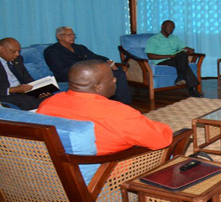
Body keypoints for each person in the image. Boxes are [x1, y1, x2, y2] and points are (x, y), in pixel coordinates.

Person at [37, 60, 172, 154]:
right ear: (98, 87)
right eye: (112, 78)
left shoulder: (48, 104)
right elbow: (160, 140)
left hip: (59, 173)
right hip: (109, 174)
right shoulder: (119, 113)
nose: (115, 80)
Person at [44, 26, 132, 104]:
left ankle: (123, 104)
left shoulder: (79, 47)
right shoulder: (52, 51)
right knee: (103, 77)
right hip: (70, 76)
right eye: (69, 35)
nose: (73, 37)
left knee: (119, 73)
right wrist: (85, 72)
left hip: (90, 73)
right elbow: (60, 69)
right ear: (59, 36)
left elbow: (95, 57)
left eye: (73, 34)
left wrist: (108, 61)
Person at [145, 20, 200, 97]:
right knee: (184, 65)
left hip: (174, 59)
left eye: (173, 28)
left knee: (182, 54)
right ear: (162, 26)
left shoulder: (174, 38)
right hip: (161, 61)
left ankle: (181, 77)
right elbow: (150, 56)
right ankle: (192, 89)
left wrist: (189, 49)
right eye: (170, 27)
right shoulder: (154, 39)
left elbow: (184, 48)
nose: (172, 29)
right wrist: (167, 56)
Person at [0, 37, 51, 110]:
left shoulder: (18, 59)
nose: (17, 54)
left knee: (49, 96)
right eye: (13, 52)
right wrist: (14, 89)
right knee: (27, 100)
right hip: (5, 94)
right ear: (1, 49)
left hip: (21, 90)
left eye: (18, 51)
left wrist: (38, 89)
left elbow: (26, 77)